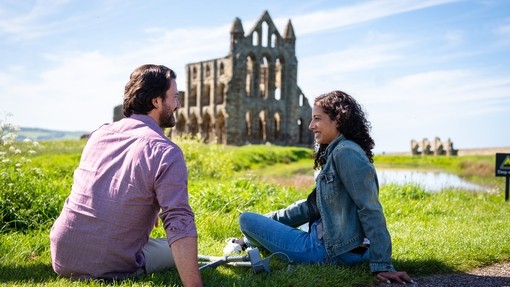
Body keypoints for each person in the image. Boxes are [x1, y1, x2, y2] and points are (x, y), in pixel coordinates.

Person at [224, 90, 414, 284]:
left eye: (317, 119)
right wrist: (267, 222)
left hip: (326, 252)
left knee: (246, 219)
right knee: (302, 220)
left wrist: (383, 264)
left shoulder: (345, 154)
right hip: (346, 246)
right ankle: (247, 240)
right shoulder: (340, 150)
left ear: (338, 120)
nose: (310, 126)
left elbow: (370, 209)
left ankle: (247, 239)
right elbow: (309, 208)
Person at [50, 64, 203, 286]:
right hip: (107, 264)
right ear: (157, 101)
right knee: (173, 250)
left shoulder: (100, 134)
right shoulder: (166, 151)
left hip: (63, 254)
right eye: (175, 97)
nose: (178, 104)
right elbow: (178, 220)